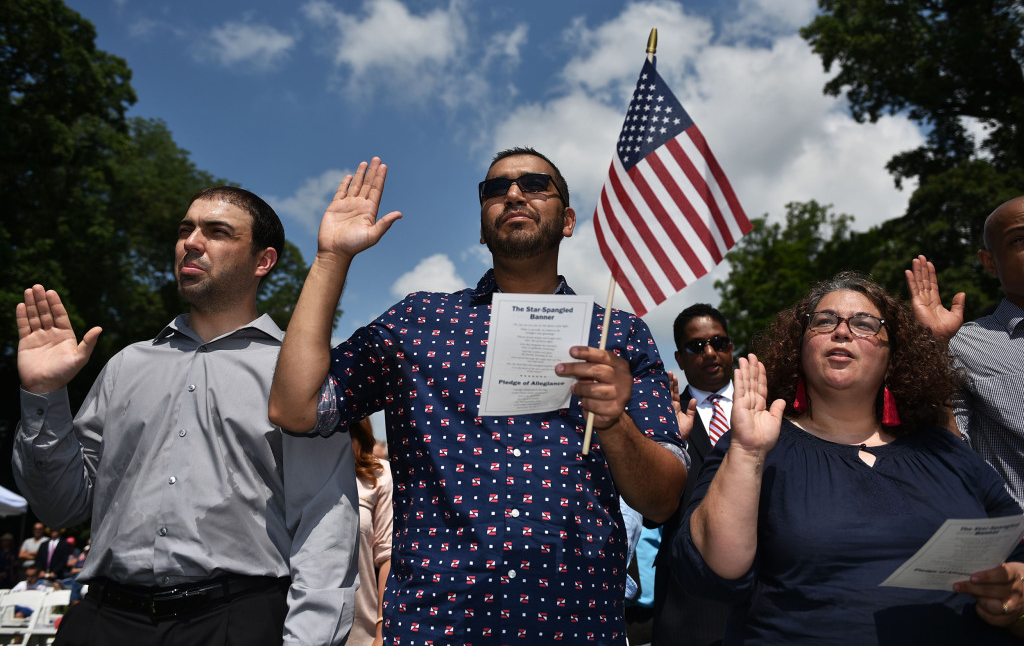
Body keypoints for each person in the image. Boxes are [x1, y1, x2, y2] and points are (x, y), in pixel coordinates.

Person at [268, 149, 687, 643]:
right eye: (495, 189)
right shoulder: (417, 322)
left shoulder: (618, 335)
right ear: (483, 229)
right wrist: (331, 258)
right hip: (439, 625)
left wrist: (615, 423)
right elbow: (295, 408)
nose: (513, 194)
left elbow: (662, 501)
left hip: (577, 624)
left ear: (568, 220)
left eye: (535, 184)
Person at [13, 186, 359, 646]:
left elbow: (325, 526)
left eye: (217, 232)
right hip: (101, 619)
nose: (191, 242)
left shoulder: (299, 375)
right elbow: (60, 507)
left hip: (238, 623)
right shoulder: (125, 365)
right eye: (185, 230)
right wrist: (44, 396)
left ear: (264, 261)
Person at [675, 272, 1024, 644]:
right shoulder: (755, 443)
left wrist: (1016, 582)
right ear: (799, 348)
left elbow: (1014, 539)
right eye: (824, 321)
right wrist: (746, 452)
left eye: (864, 324)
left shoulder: (943, 449)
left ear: (894, 357)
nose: (842, 332)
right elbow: (714, 573)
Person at [906, 195, 1024, 506]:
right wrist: (934, 347)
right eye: (1019, 239)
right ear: (989, 262)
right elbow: (952, 451)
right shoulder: (963, 345)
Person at [651, 304, 735, 645]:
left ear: (732, 347)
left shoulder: (770, 406)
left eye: (719, 342)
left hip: (770, 590)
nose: (710, 352)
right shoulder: (662, 420)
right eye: (697, 346)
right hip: (689, 601)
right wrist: (671, 446)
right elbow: (652, 511)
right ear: (680, 358)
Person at [349, 418, 393, 646]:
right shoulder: (293, 470)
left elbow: (387, 556)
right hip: (297, 629)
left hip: (362, 635)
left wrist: (381, 629)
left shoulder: (378, 474)